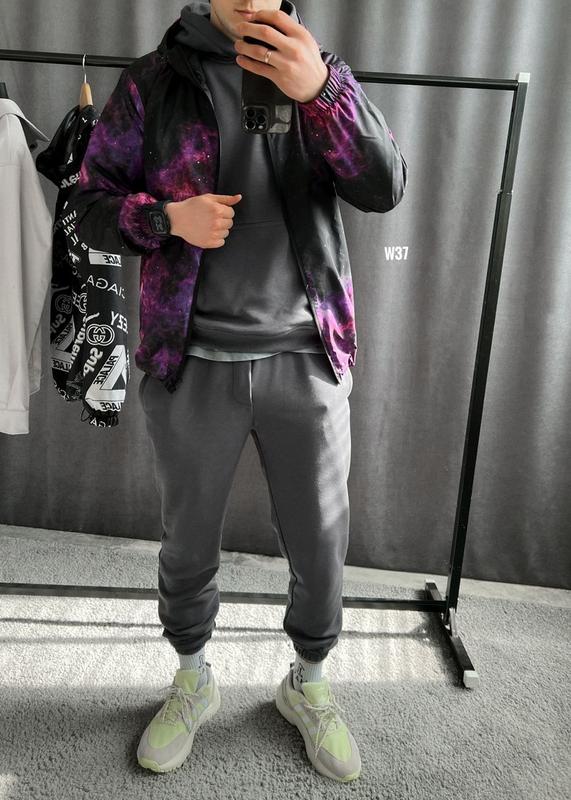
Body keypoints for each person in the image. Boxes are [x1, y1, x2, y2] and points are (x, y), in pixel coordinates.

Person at [70, 0, 407, 783]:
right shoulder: (152, 83)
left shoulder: (320, 72)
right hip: (191, 359)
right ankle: (192, 677)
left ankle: (308, 683)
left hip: (307, 355)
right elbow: (87, 208)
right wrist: (166, 219)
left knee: (320, 545)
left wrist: (320, 93)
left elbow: (384, 187)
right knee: (187, 541)